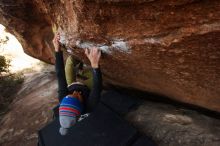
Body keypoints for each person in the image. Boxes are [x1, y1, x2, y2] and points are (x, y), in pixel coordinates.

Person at [53, 33, 102, 135]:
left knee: (70, 62)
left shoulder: (63, 99)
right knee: (90, 70)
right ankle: (84, 68)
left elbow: (60, 75)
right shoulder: (90, 105)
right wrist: (94, 65)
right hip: (86, 87)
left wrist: (57, 50)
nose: (75, 92)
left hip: (72, 83)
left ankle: (79, 59)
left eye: (70, 95)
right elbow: (97, 87)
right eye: (76, 96)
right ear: (81, 104)